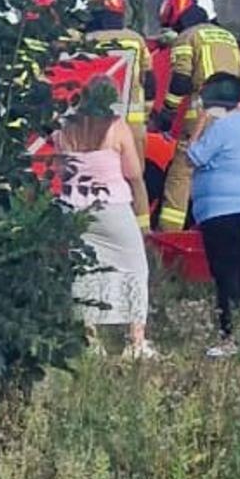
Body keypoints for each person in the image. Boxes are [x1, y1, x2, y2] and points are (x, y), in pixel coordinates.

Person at [54, 78, 156, 359]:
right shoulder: (117, 127)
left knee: (84, 271)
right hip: (111, 206)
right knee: (135, 268)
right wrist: (143, 217)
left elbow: (60, 172)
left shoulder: (65, 130)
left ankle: (90, 341)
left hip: (74, 208)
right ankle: (136, 341)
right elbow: (134, 174)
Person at [185, 72, 240, 357]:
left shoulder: (221, 127)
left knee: (224, 274)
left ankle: (228, 337)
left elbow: (192, 157)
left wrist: (200, 125)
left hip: (220, 211)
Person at [152, 0, 240, 231]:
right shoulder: (227, 37)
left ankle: (168, 236)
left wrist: (166, 115)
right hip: (236, 118)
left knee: (180, 174)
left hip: (202, 116)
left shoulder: (186, 38)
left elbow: (181, 81)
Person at [83, 0, 156, 226]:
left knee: (96, 176)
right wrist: (148, 111)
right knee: (136, 179)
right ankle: (143, 232)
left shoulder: (87, 42)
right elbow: (151, 78)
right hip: (133, 124)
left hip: (95, 125)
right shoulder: (135, 40)